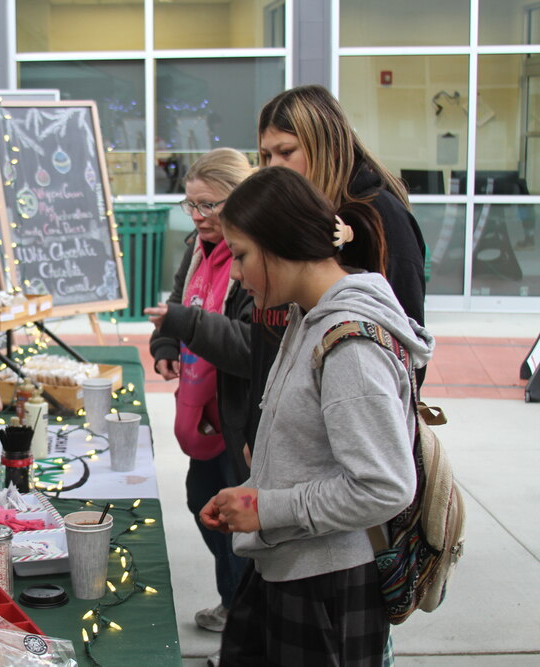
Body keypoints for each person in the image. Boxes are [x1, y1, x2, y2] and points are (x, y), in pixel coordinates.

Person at [200, 166, 433, 666]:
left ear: (278, 242)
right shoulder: (307, 315)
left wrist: (268, 510)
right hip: (290, 570)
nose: (236, 274)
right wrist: (254, 497)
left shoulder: (349, 345)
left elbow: (384, 486)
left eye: (240, 256)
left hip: (327, 588)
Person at [247, 84, 427, 455]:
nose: (273, 167)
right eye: (266, 155)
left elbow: (406, 348)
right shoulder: (297, 212)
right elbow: (276, 341)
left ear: (325, 146)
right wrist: (258, 431)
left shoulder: (381, 218)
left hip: (340, 449)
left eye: (286, 152)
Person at [143, 148, 253, 635]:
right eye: (190, 205)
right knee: (201, 501)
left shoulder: (252, 253)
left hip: (239, 416)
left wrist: (185, 323)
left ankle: (244, 616)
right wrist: (167, 339)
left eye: (208, 205)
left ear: (238, 200)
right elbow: (177, 300)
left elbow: (254, 346)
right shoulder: (199, 245)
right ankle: (238, 605)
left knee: (234, 520)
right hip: (202, 406)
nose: (198, 216)